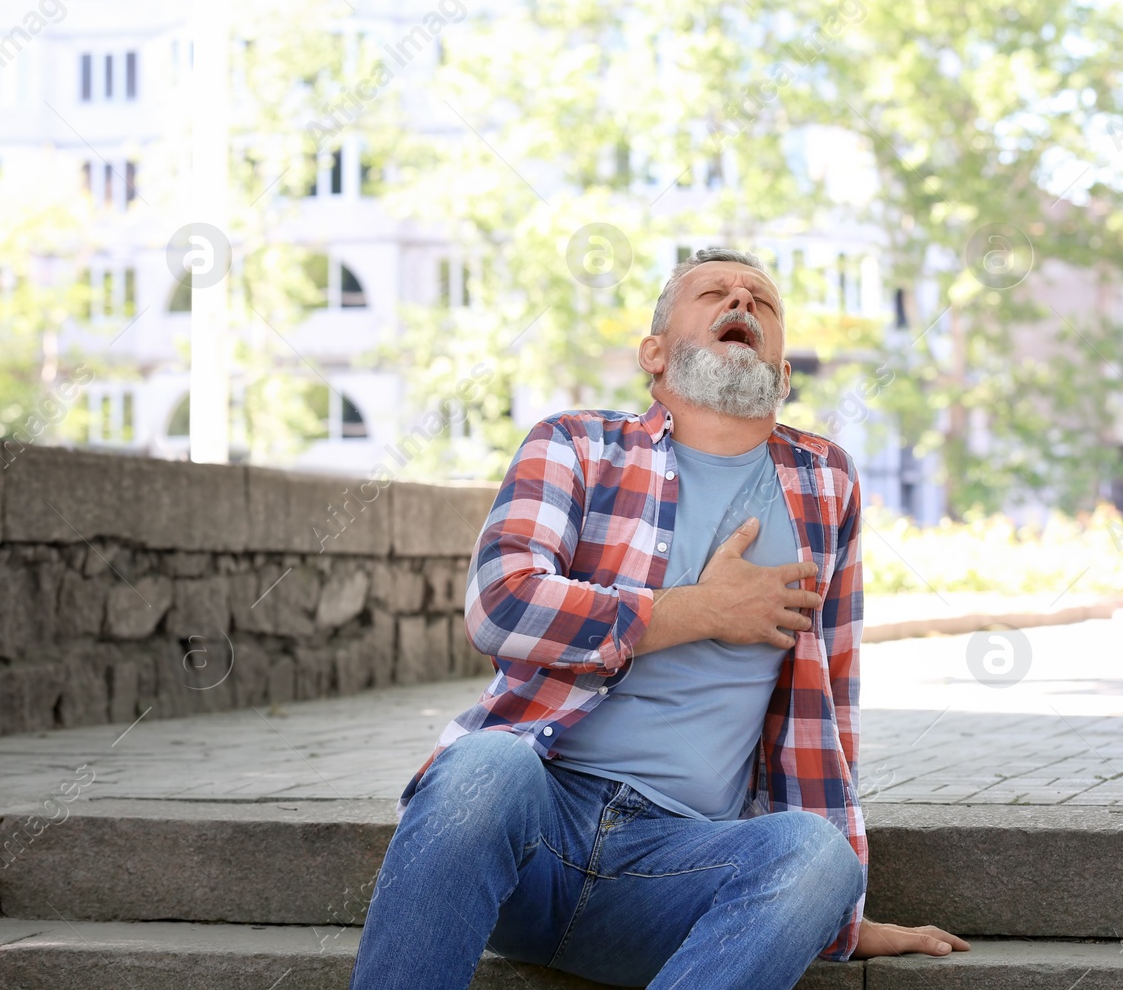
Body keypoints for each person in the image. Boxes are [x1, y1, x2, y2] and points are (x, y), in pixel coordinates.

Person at [350, 248, 968, 989]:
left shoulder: (823, 479)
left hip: (679, 865)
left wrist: (826, 909)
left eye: (762, 302)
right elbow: (501, 603)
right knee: (487, 760)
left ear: (784, 371)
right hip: (532, 834)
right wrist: (695, 610)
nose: (741, 301)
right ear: (653, 353)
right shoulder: (575, 444)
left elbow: (827, 704)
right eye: (714, 292)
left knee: (817, 854)